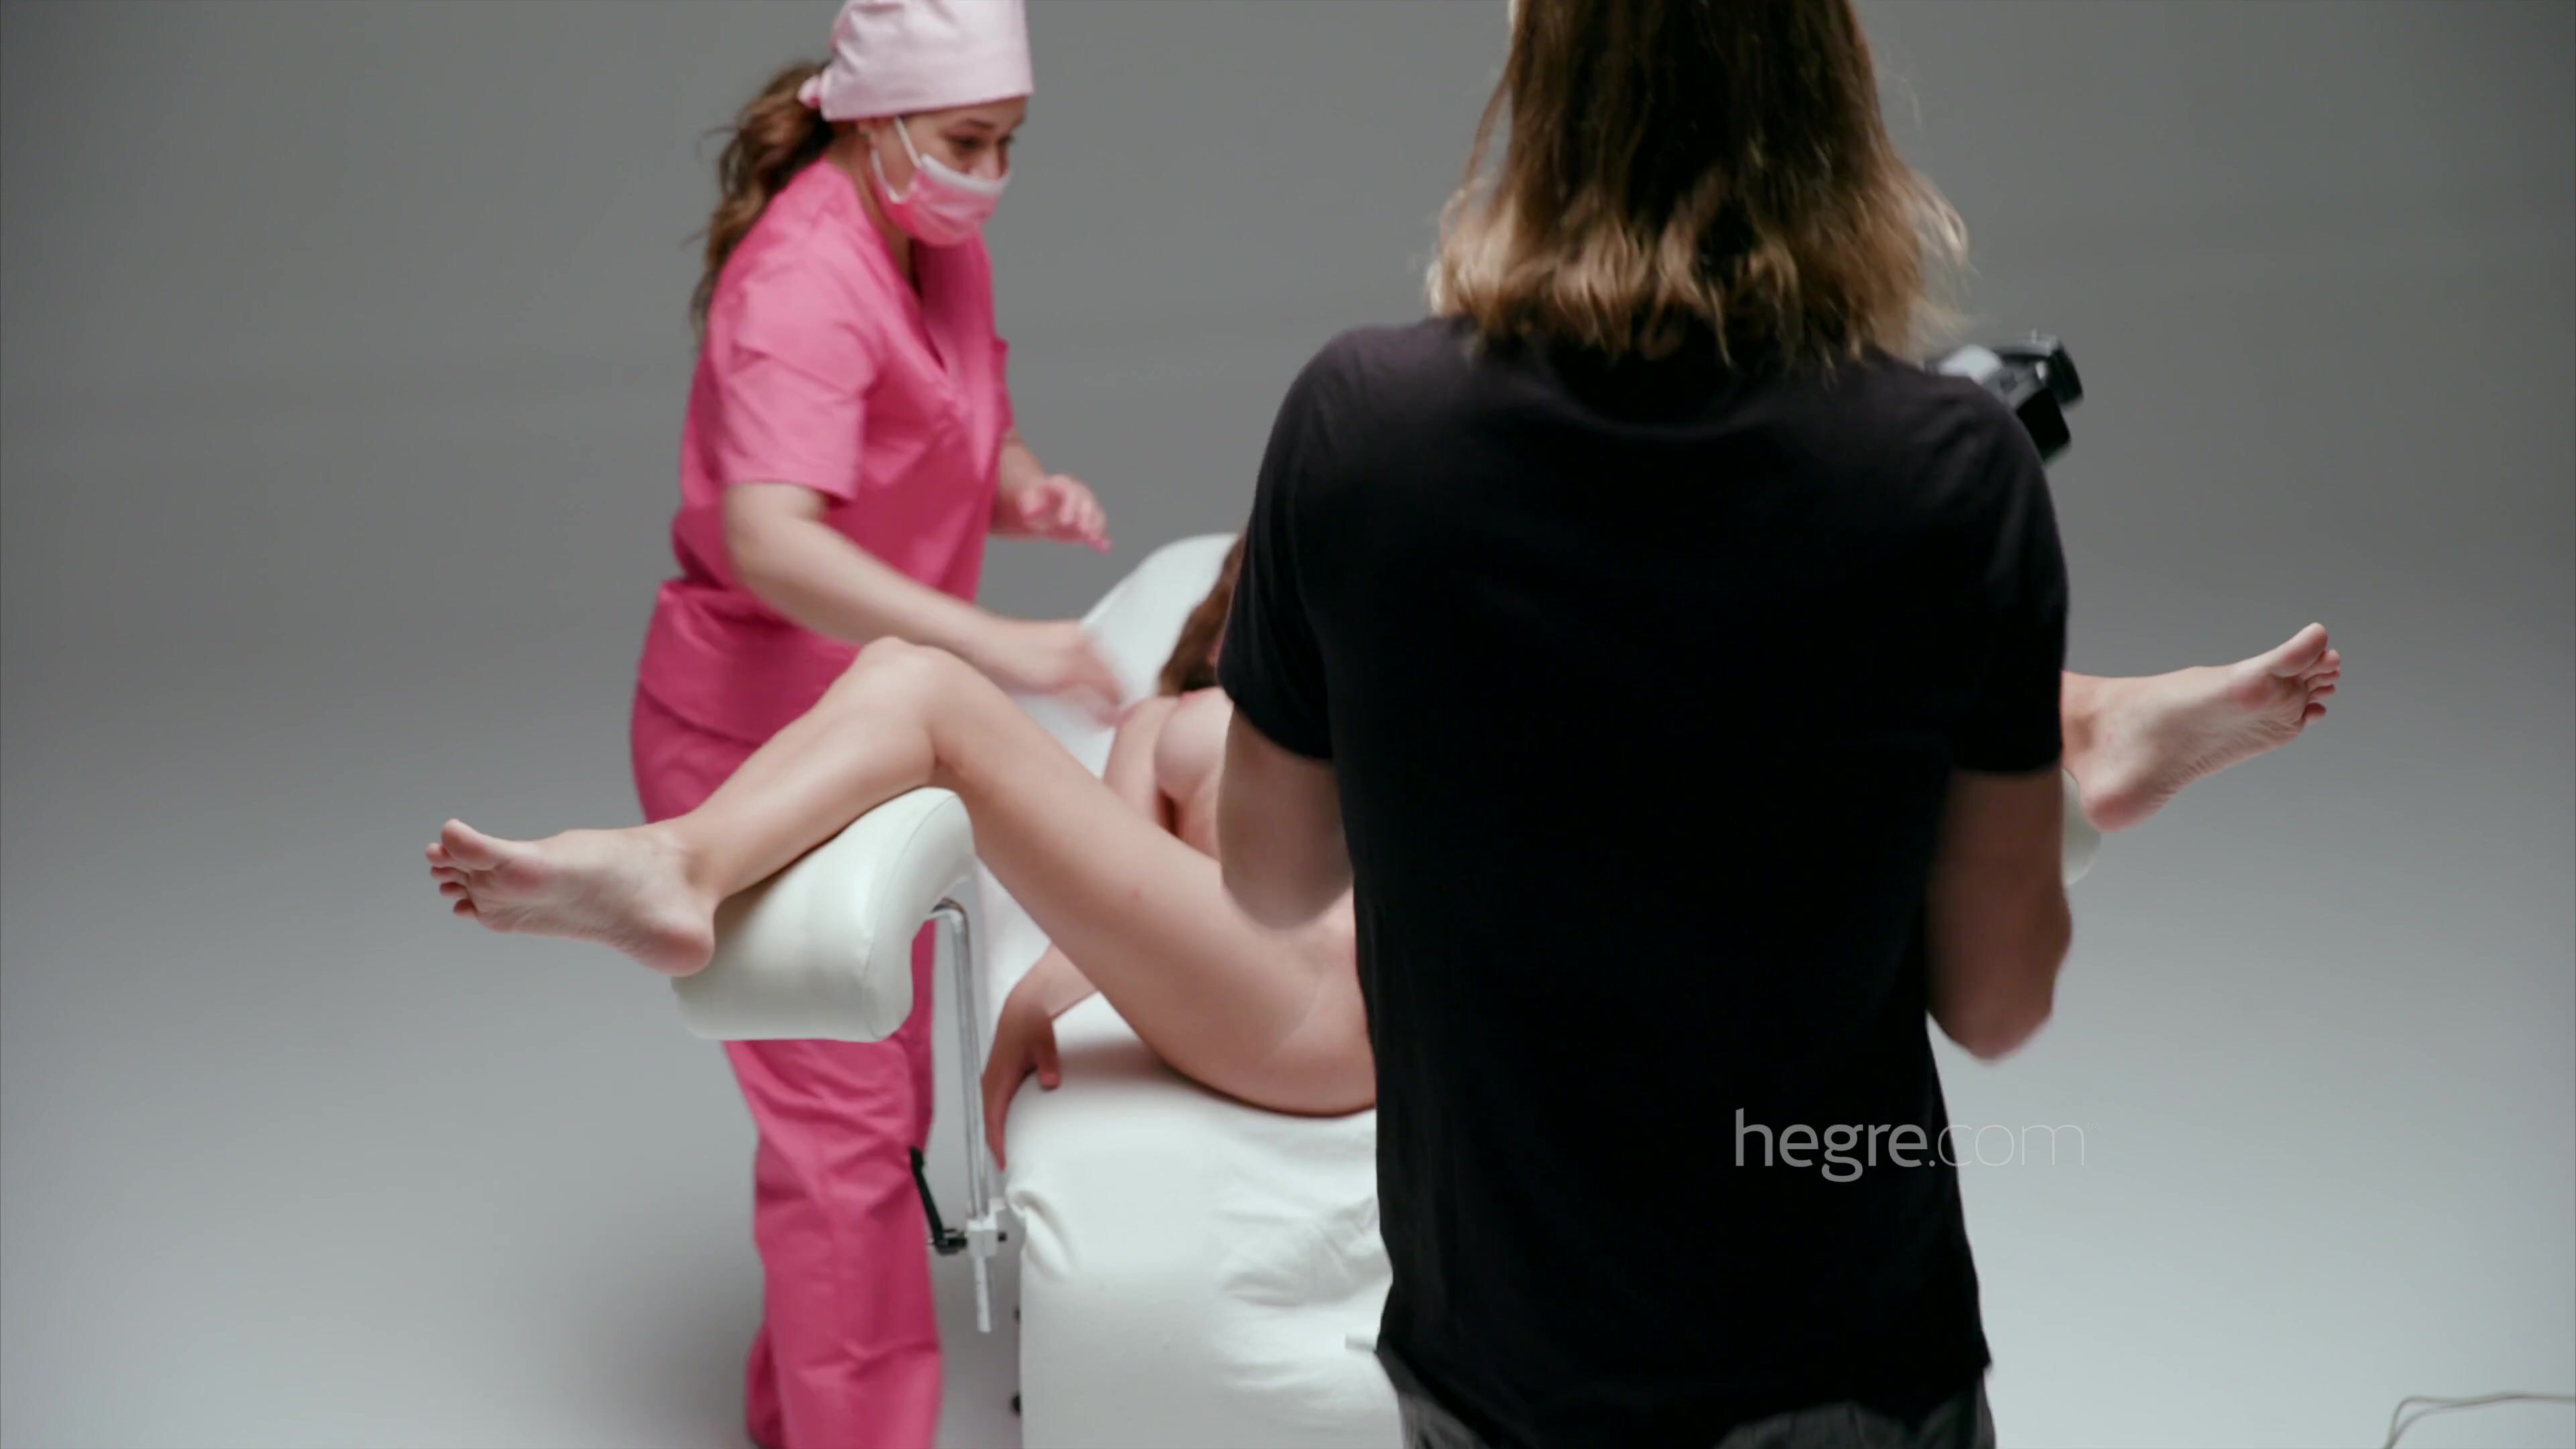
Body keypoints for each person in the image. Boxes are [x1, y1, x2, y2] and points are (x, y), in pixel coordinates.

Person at [1204, 1, 2341, 1446]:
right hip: (1837, 1361)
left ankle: (2091, 756)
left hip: (1497, 1362)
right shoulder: (1949, 469)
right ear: (1829, 103)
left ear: (1539, 99)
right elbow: (1997, 1002)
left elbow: (1272, 878)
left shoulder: (1356, 425)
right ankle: (2086, 764)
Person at [429, 541, 2334, 1202]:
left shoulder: (1394, 702)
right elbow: (1107, 897)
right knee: (925, 688)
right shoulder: (1172, 730)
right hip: (1291, 1008)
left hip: (1432, 974)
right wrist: (1032, 1002)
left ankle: (2096, 736)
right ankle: (681, 864)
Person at [625, 3, 1116, 1444]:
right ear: (875, 117)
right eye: (969, 140)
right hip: (751, 744)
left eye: (1010, 143)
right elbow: (769, 538)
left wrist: (1020, 488)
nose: (990, 175)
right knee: (844, 1134)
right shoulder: (798, 280)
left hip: (868, 737)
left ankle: (797, 1414)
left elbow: (958, 403)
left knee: (874, 1104)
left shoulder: (928, 237)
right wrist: (988, 645)